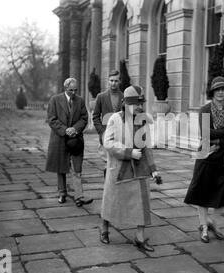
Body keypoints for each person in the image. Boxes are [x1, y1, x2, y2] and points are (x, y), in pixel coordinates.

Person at [100, 85, 159, 252]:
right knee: (112, 201)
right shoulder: (114, 119)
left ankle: (139, 238)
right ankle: (104, 228)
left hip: (139, 168)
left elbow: (147, 146)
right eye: (135, 104)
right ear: (125, 103)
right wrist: (129, 152)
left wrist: (153, 169)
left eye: (140, 103)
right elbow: (108, 143)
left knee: (142, 202)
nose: (139, 107)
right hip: (119, 168)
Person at [184, 76, 224, 243]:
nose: (221, 92)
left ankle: (213, 222)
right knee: (203, 192)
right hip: (206, 157)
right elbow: (206, 134)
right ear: (213, 92)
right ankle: (204, 227)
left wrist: (221, 138)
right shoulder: (205, 110)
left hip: (223, 158)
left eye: (223, 89)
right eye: (218, 90)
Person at [45, 77, 93, 207]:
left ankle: (79, 196)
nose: (73, 93)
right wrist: (65, 130)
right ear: (65, 88)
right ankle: (62, 193)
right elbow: (51, 119)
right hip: (59, 138)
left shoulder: (80, 101)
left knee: (77, 167)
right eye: (71, 90)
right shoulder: (55, 100)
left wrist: (75, 129)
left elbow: (84, 118)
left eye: (75, 90)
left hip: (76, 139)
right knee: (61, 167)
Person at [92, 70, 124, 173]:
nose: (113, 83)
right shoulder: (101, 97)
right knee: (108, 164)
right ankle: (108, 186)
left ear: (119, 81)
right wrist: (102, 131)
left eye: (116, 81)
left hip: (120, 135)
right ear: (108, 81)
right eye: (111, 80)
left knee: (119, 165)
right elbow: (95, 116)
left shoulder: (124, 97)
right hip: (106, 134)